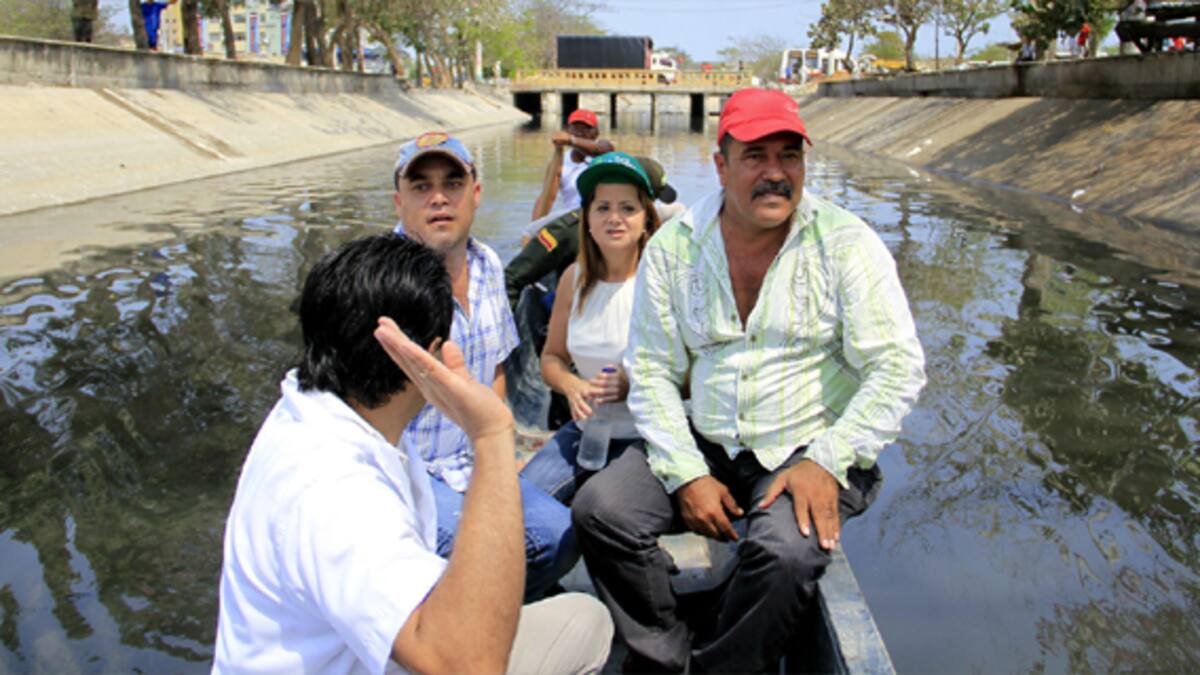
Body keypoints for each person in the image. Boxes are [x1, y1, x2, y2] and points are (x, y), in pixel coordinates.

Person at [571, 88, 927, 672]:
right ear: (721, 165)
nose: (775, 173)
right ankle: (665, 655)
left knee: (786, 553)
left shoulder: (846, 243)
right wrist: (687, 472)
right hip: (709, 435)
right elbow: (654, 370)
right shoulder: (674, 248)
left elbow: (897, 367)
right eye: (756, 157)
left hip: (807, 444)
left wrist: (828, 461)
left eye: (789, 156)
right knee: (600, 511)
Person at [213, 235, 613, 673]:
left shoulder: (314, 408)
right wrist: (491, 436)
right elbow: (469, 666)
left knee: (579, 617)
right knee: (587, 622)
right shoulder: (334, 488)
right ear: (428, 354)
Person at [390, 131, 575, 601]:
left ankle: (494, 611)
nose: (438, 198)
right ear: (399, 202)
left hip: (473, 460)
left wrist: (499, 455)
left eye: (452, 184)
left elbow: (495, 370)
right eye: (421, 187)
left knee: (561, 535)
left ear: (475, 194)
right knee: (476, 550)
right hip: (407, 475)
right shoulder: (380, 282)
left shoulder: (488, 264)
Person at [519, 153, 662, 503]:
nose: (614, 218)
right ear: (588, 221)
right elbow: (552, 358)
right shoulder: (573, 279)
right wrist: (571, 385)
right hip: (587, 431)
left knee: (597, 505)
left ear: (646, 219)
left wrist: (632, 383)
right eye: (602, 208)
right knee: (518, 502)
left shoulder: (663, 281)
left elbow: (689, 373)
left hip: (647, 437)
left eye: (627, 208)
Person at [531, 109, 614, 221]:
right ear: (568, 130)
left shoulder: (604, 156)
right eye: (575, 128)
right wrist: (534, 226)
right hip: (573, 220)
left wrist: (571, 140)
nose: (579, 133)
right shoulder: (560, 162)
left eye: (585, 129)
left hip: (599, 218)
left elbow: (604, 149)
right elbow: (547, 198)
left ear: (595, 133)